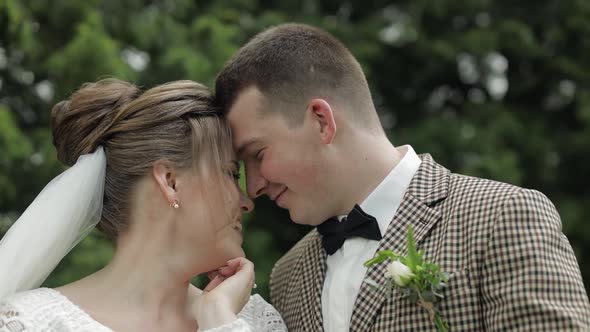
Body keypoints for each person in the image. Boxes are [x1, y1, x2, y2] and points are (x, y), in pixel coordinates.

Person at [214, 23, 590, 331]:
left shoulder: (503, 217)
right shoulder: (288, 274)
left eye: (258, 155)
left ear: (321, 120)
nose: (255, 185)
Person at [0, 79, 287, 331]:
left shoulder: (254, 322)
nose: (247, 201)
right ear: (171, 181)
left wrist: (220, 320)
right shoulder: (30, 323)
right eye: (231, 173)